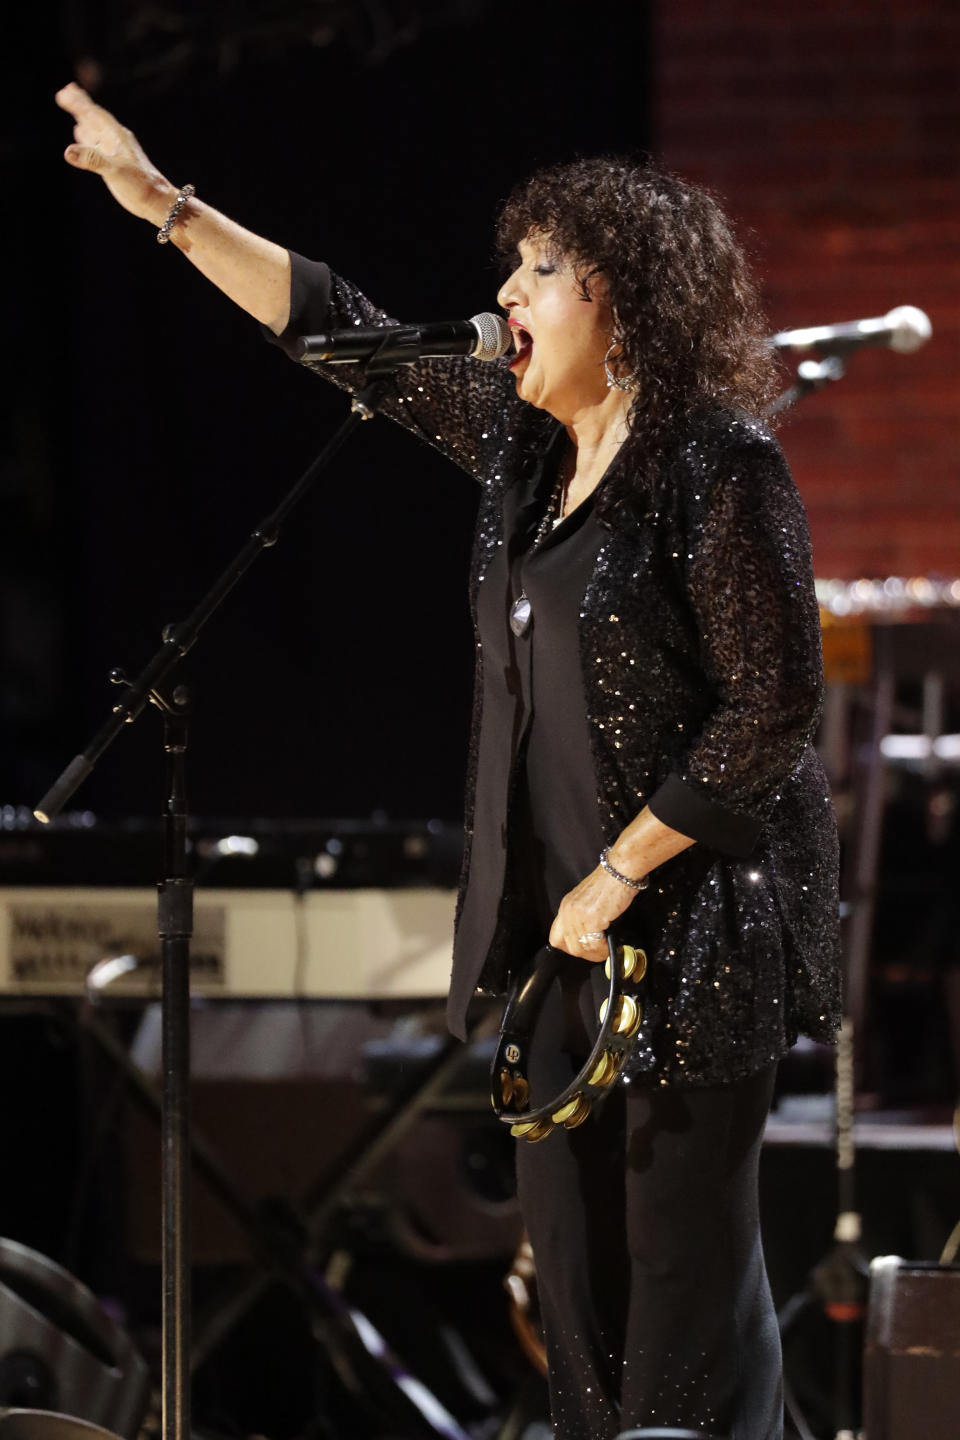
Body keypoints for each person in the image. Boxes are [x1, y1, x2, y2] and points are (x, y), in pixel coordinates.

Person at [56, 81, 841, 1440]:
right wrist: (167, 207)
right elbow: (340, 332)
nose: (506, 292)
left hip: (690, 947)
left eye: (539, 270)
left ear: (624, 298)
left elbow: (773, 708)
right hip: (558, 951)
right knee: (583, 1334)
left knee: (682, 1333)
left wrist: (619, 874)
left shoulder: (719, 469)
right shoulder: (523, 458)